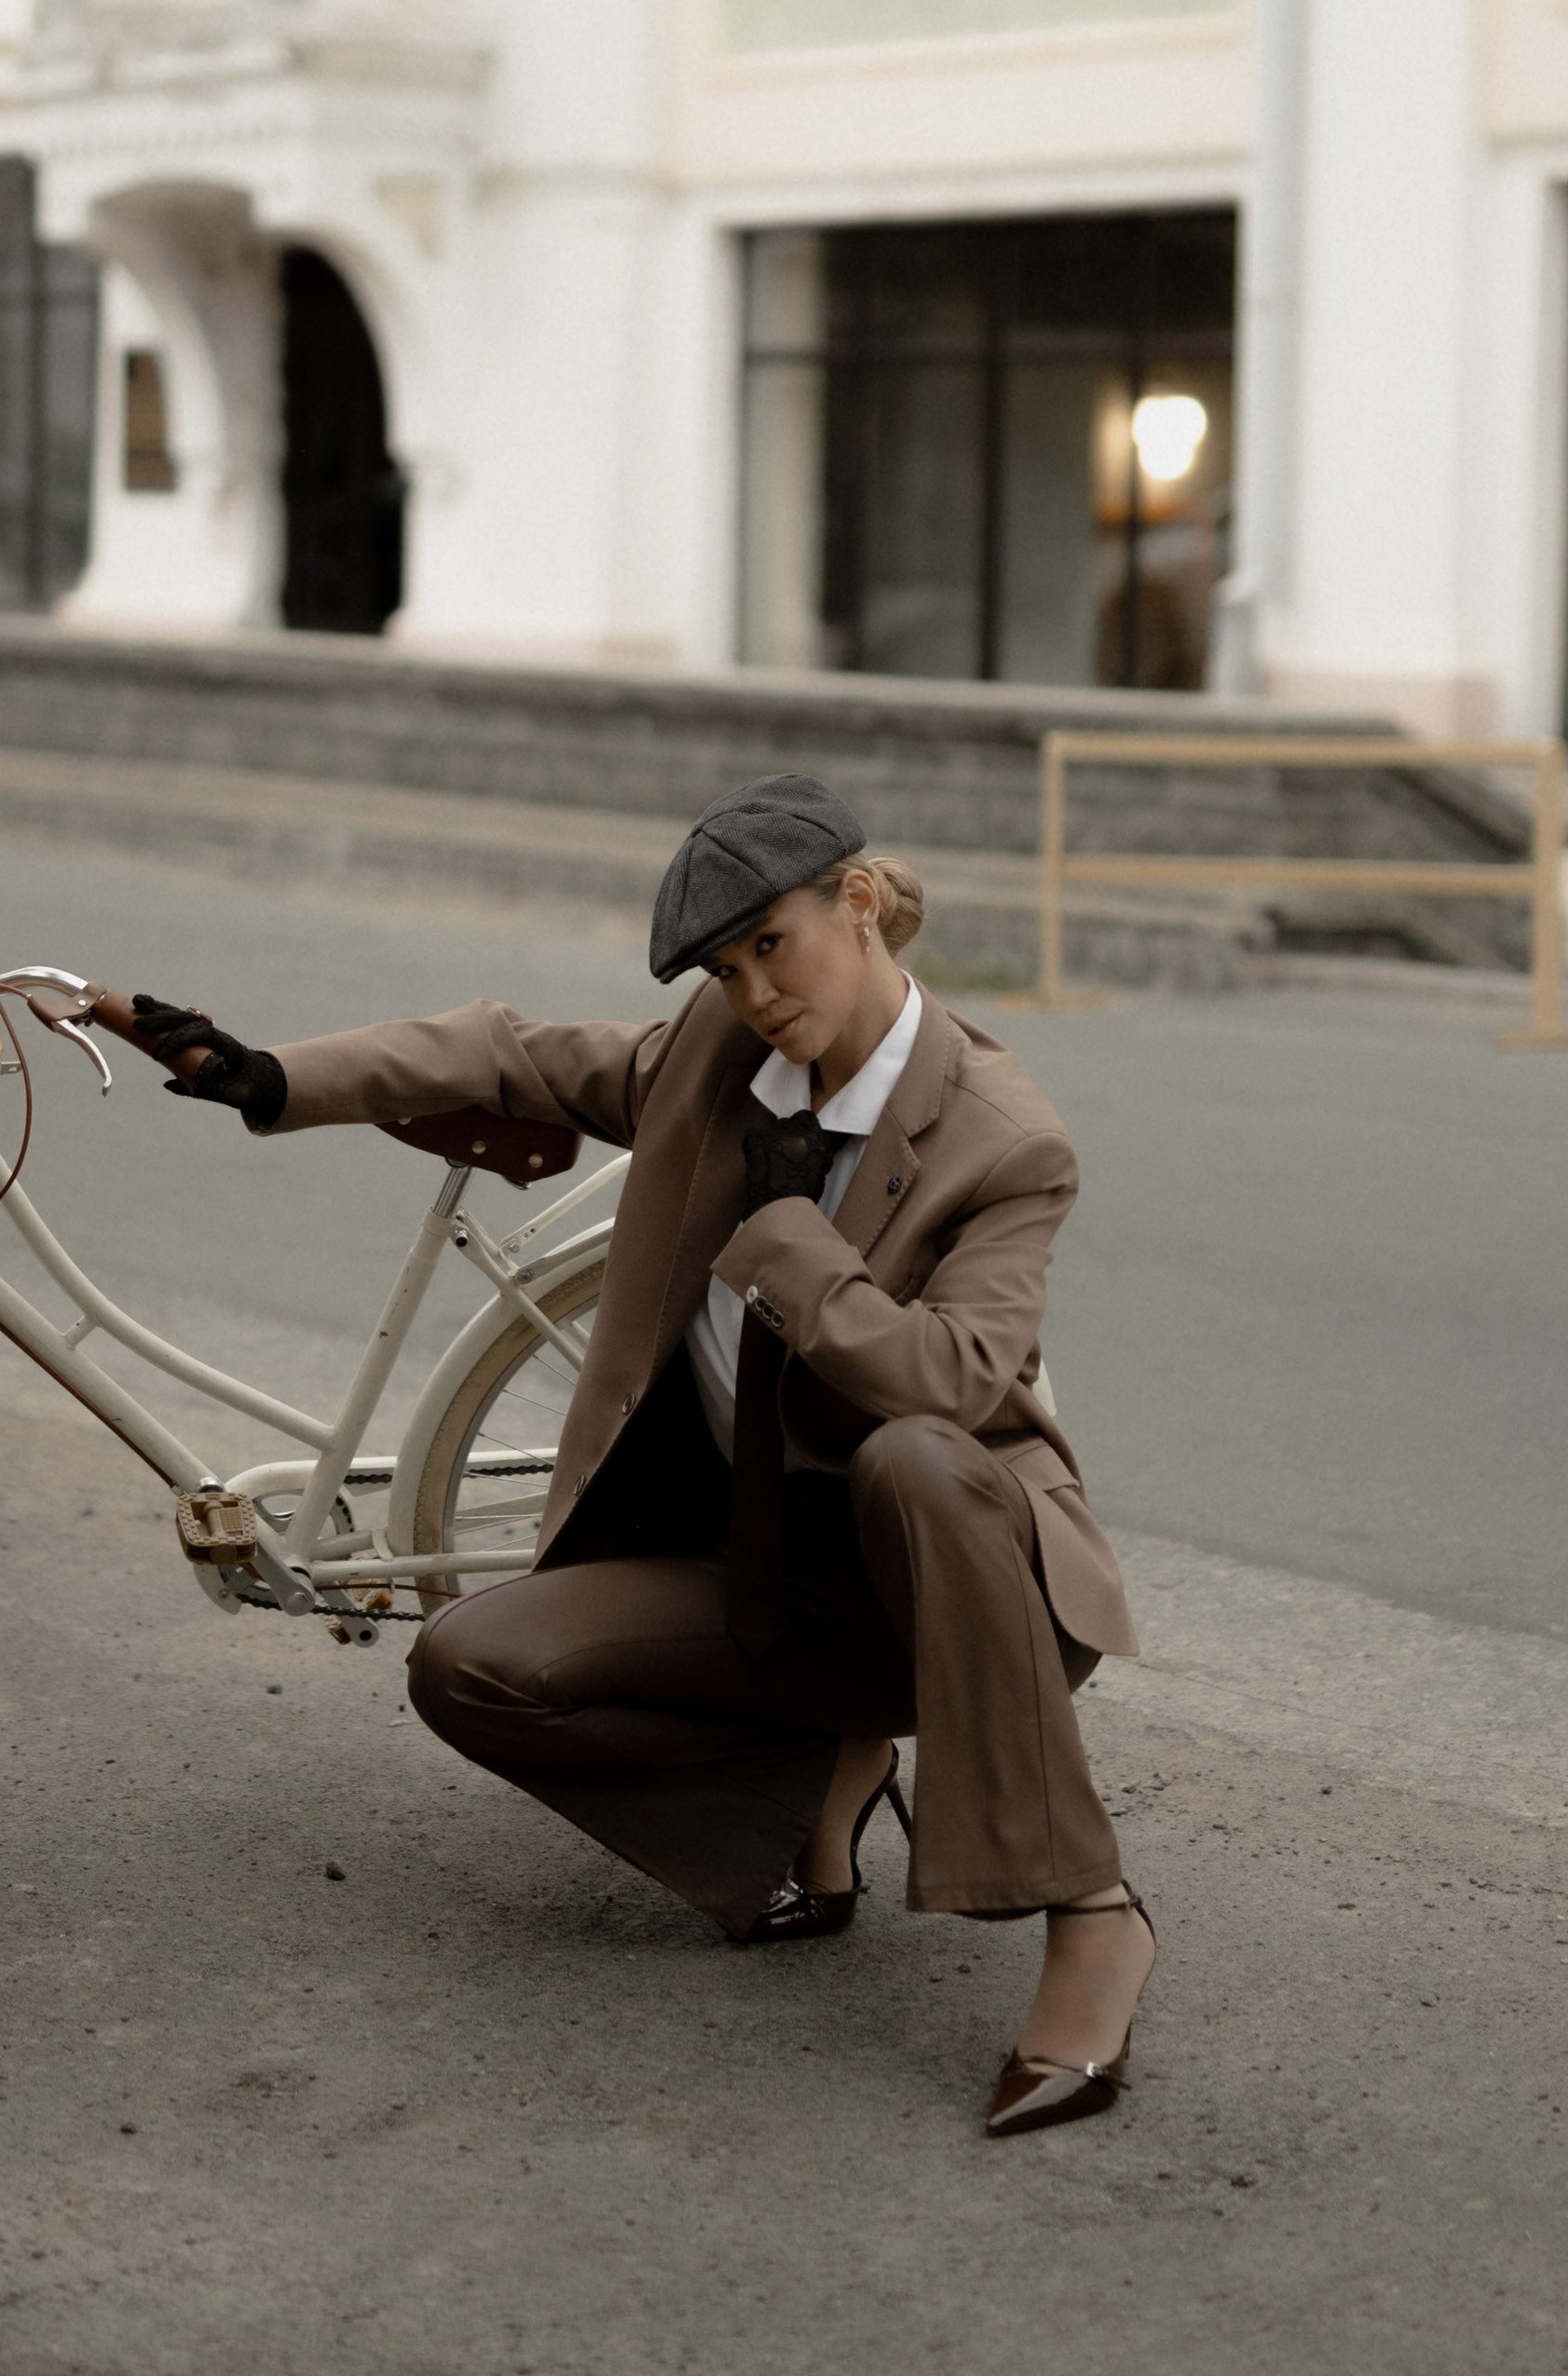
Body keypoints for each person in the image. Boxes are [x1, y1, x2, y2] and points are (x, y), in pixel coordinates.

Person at [130, 770, 1152, 2137]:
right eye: (726, 969)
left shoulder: (1004, 1140)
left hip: (966, 1579)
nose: (754, 994)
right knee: (475, 1665)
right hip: (763, 1566)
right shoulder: (721, 1060)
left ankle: (1092, 1910)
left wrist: (793, 1240)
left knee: (912, 1455)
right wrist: (268, 1075)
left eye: (769, 947)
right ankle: (811, 1788)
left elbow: (958, 1380)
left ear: (857, 901)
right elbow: (510, 1053)